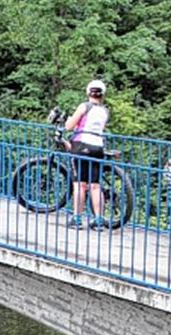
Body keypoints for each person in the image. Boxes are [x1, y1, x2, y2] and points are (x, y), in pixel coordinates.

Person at [63, 80, 110, 230]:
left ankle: (77, 219)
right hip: (98, 147)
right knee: (95, 185)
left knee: (79, 184)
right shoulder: (105, 110)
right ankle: (98, 220)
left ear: (88, 92)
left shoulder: (84, 107)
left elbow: (69, 126)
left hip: (81, 145)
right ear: (102, 94)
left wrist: (69, 120)